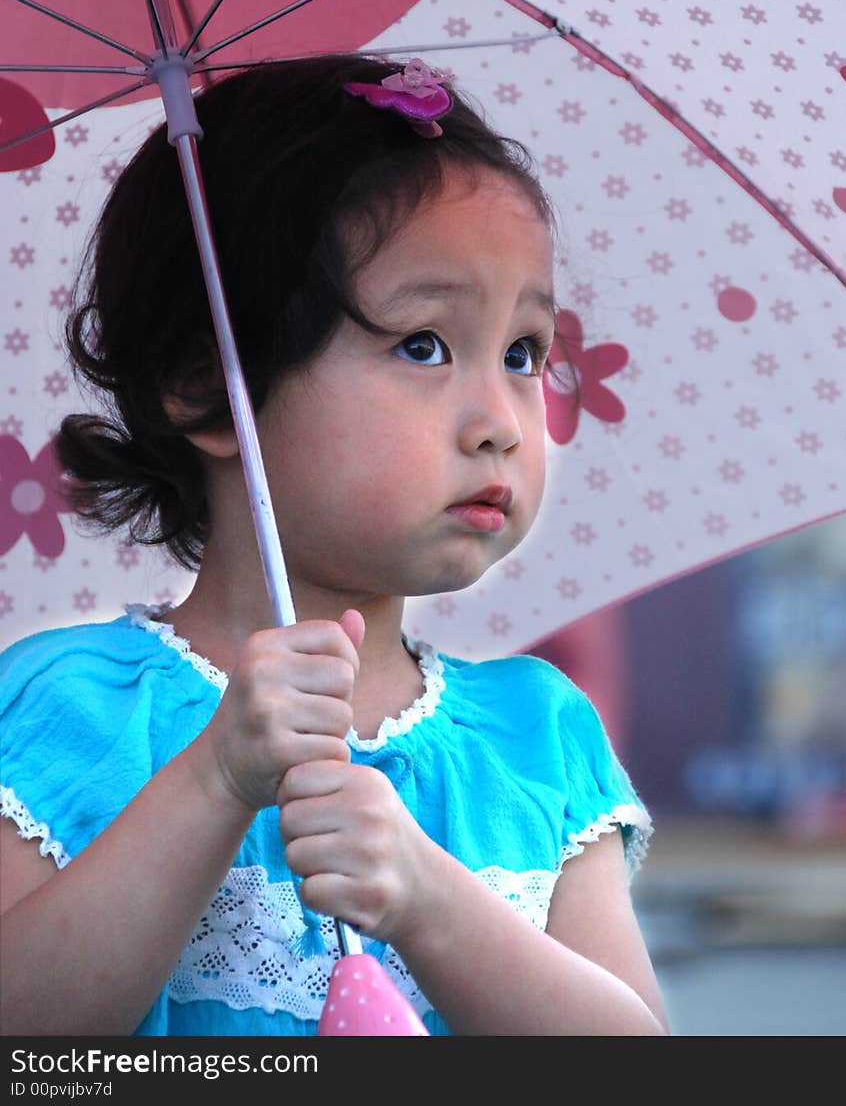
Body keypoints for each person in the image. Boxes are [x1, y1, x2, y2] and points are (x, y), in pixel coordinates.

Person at [0, 54, 668, 1037]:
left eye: (523, 352)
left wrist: (431, 903)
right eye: (424, 345)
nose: (500, 421)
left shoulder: (538, 739)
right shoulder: (72, 711)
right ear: (207, 386)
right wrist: (215, 779)